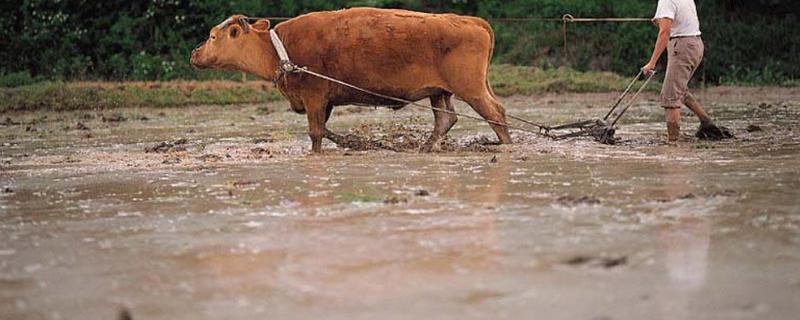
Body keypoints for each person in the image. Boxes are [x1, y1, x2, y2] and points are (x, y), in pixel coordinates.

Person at [642, 0, 732, 142]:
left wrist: (652, 62)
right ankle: (707, 123)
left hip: (682, 46)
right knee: (680, 90)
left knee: (670, 96)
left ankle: (673, 144)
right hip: (694, 44)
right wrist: (661, 21)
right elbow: (679, 21)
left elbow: (664, 32)